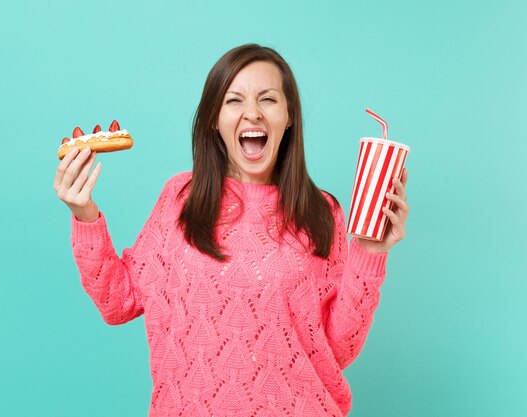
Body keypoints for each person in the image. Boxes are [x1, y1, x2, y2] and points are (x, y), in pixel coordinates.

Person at [53, 44, 409, 417]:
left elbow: (337, 349)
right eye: (234, 100)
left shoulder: (322, 212)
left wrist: (371, 252)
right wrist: (85, 214)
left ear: (289, 116)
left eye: (268, 99)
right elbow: (117, 302)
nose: (252, 113)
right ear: (214, 119)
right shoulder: (180, 198)